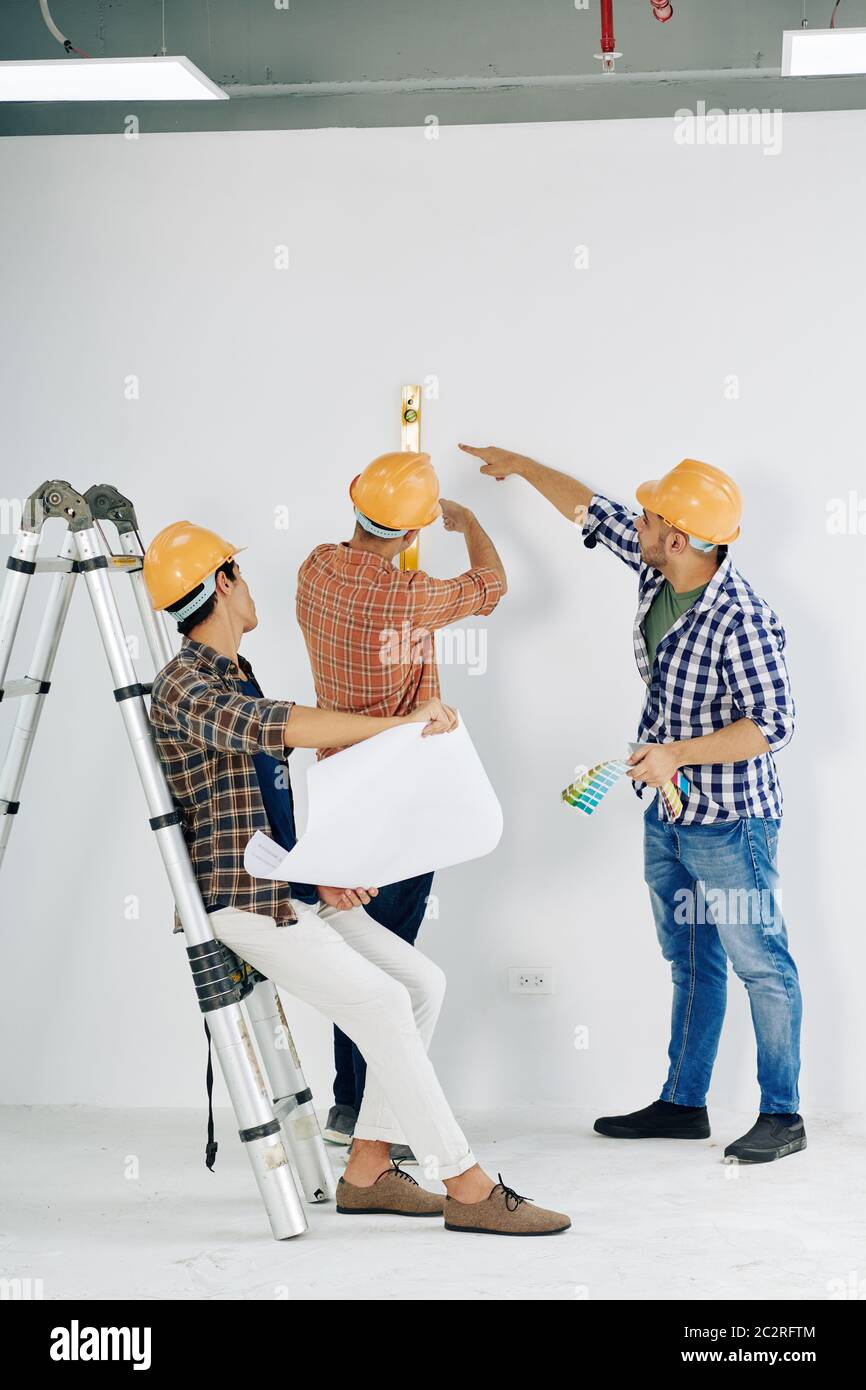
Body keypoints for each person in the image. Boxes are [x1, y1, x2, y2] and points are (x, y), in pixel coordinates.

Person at [144, 520, 567, 1233]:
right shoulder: (185, 684)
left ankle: (368, 1166)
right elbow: (281, 727)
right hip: (241, 905)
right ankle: (466, 1183)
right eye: (239, 574)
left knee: (421, 984)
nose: (251, 586)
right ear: (222, 584)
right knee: (379, 1001)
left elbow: (259, 809)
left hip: (283, 887)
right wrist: (404, 725)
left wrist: (319, 875)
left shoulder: (231, 671)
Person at [459, 444, 805, 1164]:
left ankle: (784, 1115)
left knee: (760, 963)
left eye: (649, 519)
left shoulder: (742, 618)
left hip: (732, 824)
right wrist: (520, 465)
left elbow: (773, 725)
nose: (635, 524)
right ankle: (684, 1103)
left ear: (679, 539)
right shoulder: (660, 567)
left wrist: (677, 752)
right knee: (689, 958)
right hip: (669, 815)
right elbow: (590, 509)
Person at [296, 451, 507, 1159]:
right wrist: (471, 518)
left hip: (334, 792)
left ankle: (348, 1104)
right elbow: (493, 584)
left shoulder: (314, 569)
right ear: (414, 531)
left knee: (355, 959)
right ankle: (380, 1124)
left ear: (353, 501)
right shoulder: (411, 597)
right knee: (393, 968)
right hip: (398, 802)